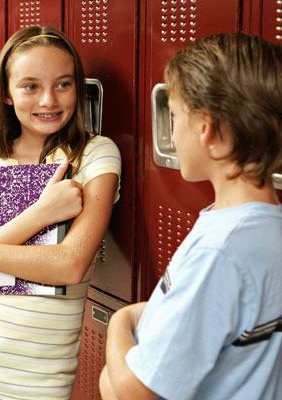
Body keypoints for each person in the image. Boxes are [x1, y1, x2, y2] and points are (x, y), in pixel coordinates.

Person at [0, 25, 121, 399]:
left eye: (63, 84)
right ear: (5, 93)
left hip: (38, 381)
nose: (49, 100)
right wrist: (40, 214)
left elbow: (69, 264)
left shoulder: (94, 157)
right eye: (30, 86)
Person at [100, 33, 282, 400]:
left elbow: (136, 391)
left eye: (175, 114)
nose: (171, 129)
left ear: (207, 130)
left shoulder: (220, 251)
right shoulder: (264, 227)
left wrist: (119, 323)